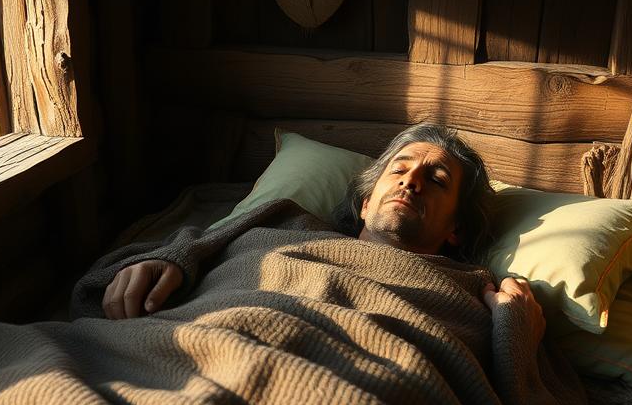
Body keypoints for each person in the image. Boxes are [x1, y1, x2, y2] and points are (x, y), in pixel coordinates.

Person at [101, 123, 546, 350]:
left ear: (456, 229)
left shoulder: (469, 292)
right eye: (400, 168)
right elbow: (197, 245)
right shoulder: (285, 225)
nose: (412, 181)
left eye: (437, 178)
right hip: (190, 350)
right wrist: (172, 261)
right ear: (367, 202)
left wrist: (516, 331)